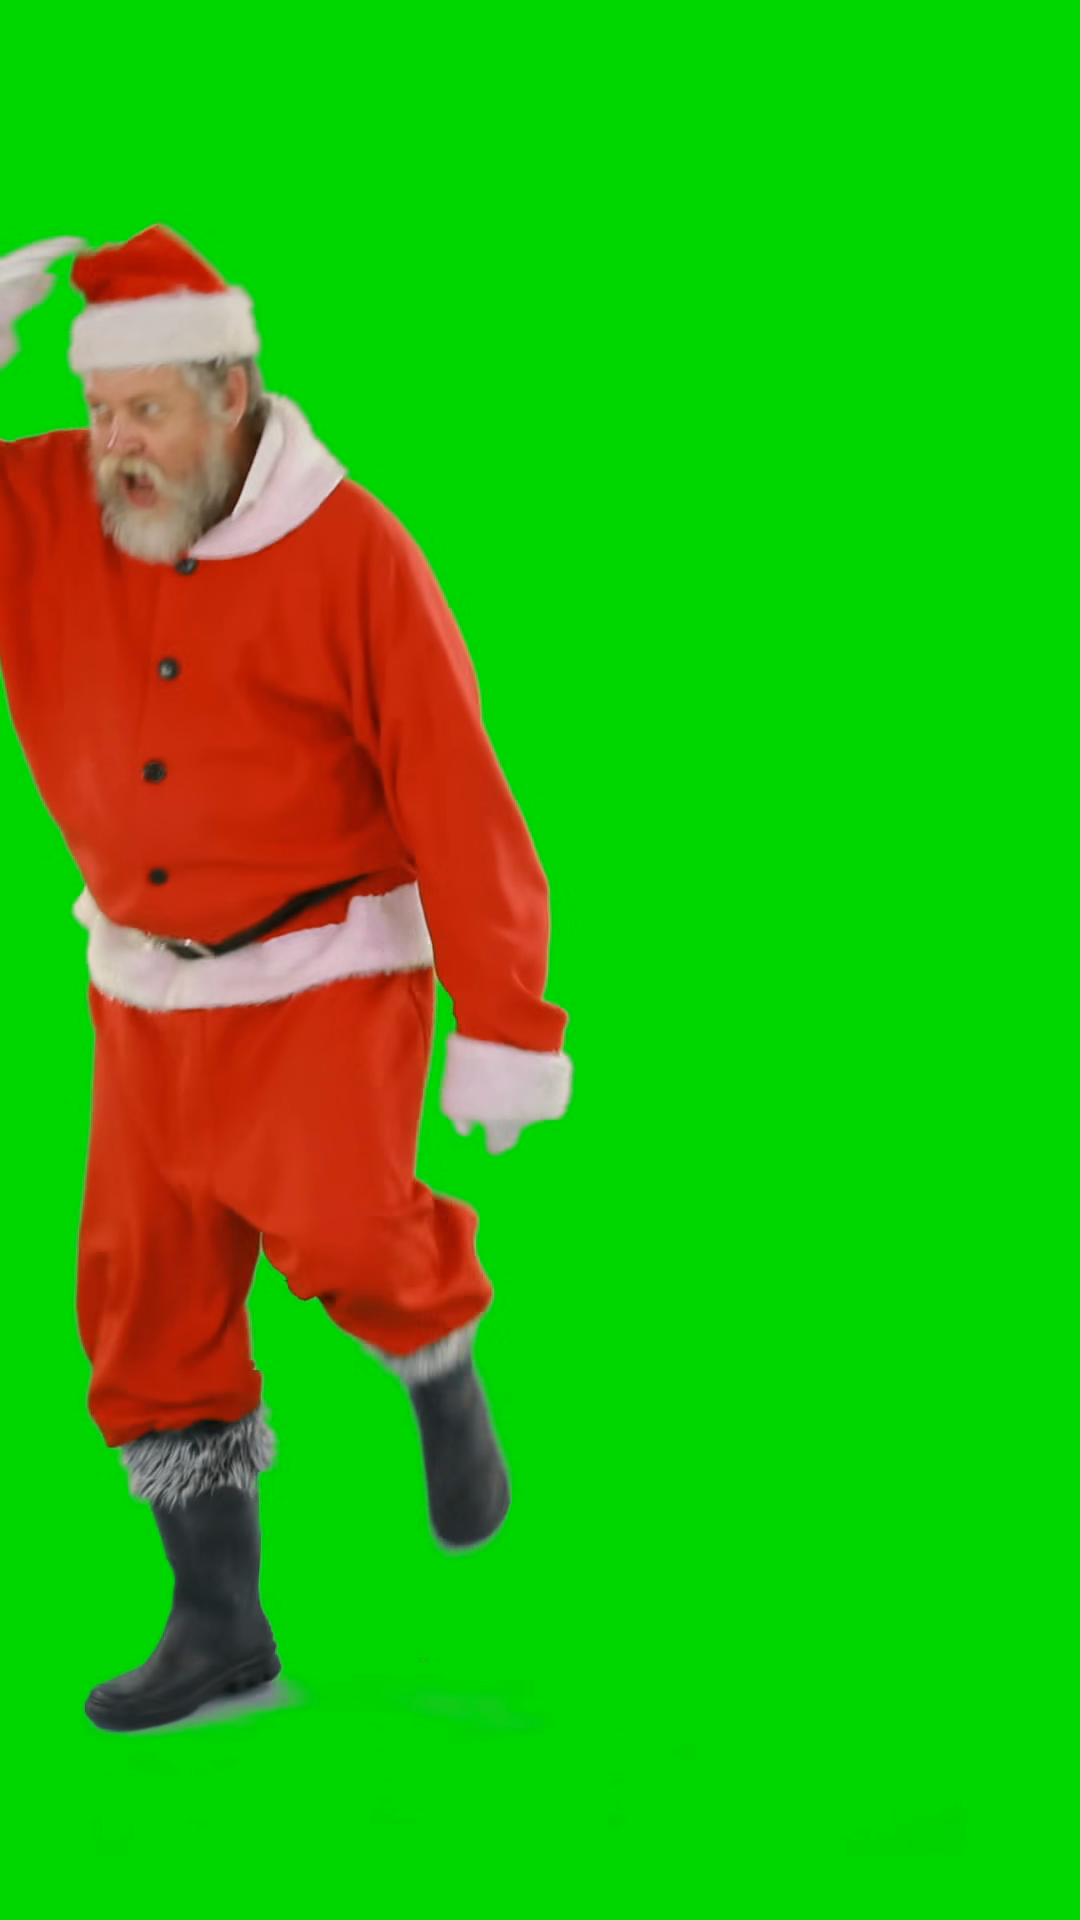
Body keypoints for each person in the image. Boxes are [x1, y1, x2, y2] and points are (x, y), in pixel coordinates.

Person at [0, 226, 572, 1735]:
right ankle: (219, 1626)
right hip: (141, 989)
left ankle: (434, 1353)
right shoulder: (48, 509)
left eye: (148, 409)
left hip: (324, 972)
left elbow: (456, 788)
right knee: (141, 1292)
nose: (117, 443)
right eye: (99, 409)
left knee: (338, 1220)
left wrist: (506, 1022)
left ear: (233, 390)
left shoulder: (355, 550)